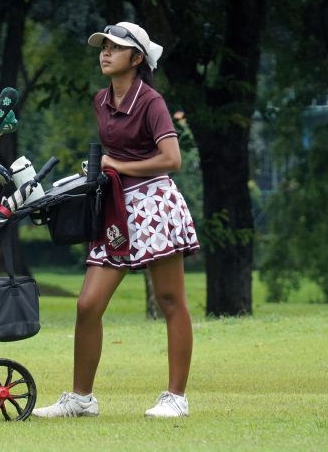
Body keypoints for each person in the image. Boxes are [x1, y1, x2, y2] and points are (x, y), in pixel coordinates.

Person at [33, 22, 200, 419]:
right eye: (103, 47)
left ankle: (176, 398)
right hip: (117, 208)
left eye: (115, 47)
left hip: (154, 205)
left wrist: (118, 165)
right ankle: (81, 399)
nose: (105, 53)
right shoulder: (101, 99)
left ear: (137, 58)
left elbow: (172, 159)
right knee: (88, 304)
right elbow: (111, 158)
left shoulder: (151, 102)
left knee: (170, 300)